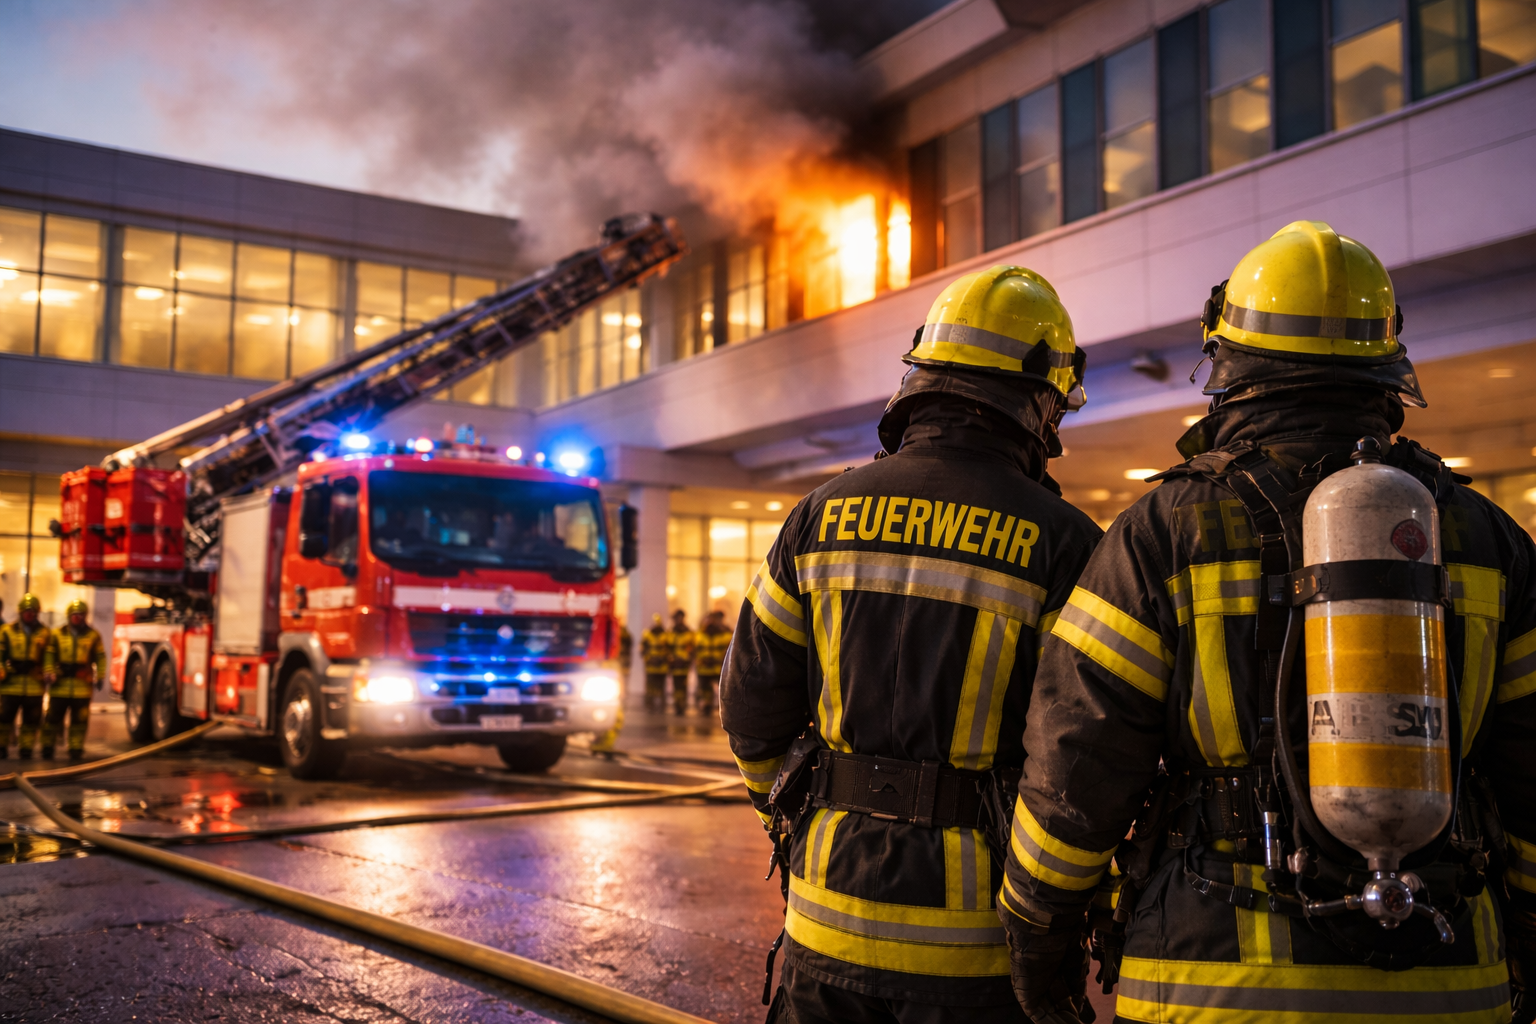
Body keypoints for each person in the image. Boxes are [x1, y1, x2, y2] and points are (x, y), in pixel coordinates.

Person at [999, 220, 1534, 1024]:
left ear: (1229, 369)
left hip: (1211, 983)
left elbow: (1080, 758)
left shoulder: (1163, 531)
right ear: (1388, 372)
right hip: (1450, 979)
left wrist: (1041, 934)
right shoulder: (1487, 537)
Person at [721, 264, 1100, 1022]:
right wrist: (1053, 914)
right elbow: (1083, 757)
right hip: (978, 946)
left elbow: (749, 706)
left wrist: (793, 815)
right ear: (1037, 401)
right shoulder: (1065, 543)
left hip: (823, 923)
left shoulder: (819, 515)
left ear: (921, 378)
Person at [42, 597, 106, 760]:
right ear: (69, 615)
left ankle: (76, 748)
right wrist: (49, 671)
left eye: (81, 614)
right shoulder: (57, 634)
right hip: (60, 686)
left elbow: (100, 657)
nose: (77, 617)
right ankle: (47, 747)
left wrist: (101, 675)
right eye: (74, 614)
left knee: (79, 722)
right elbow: (49, 655)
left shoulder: (93, 635)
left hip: (82, 687)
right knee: (52, 720)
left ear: (85, 616)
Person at [0, 593, 53, 760]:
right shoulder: (7, 631)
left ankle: (26, 749)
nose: (30, 614)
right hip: (10, 684)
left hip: (34, 686)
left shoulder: (45, 633)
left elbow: (49, 657)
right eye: (27, 611)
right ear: (20, 612)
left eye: (33, 611)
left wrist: (49, 672)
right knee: (3, 720)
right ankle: (1, 747)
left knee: (31, 721)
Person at [693, 610, 732, 719]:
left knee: (724, 688)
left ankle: (725, 709)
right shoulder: (699, 635)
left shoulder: (724, 634)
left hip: (718, 668)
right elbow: (693, 650)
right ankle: (706, 707)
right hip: (704, 668)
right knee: (705, 689)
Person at [667, 609, 696, 716]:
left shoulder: (689, 632)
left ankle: (682, 705)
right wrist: (670, 660)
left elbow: (692, 649)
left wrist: (689, 660)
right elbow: (668, 649)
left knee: (683, 686)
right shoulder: (671, 632)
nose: (678, 620)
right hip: (674, 664)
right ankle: (677, 705)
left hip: (684, 664)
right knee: (676, 685)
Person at [640, 613, 671, 713]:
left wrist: (663, 659)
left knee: (661, 687)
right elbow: (643, 650)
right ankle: (650, 705)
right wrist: (649, 659)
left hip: (662, 666)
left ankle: (661, 706)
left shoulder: (666, 635)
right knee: (650, 687)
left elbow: (669, 650)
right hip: (651, 666)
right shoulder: (647, 634)